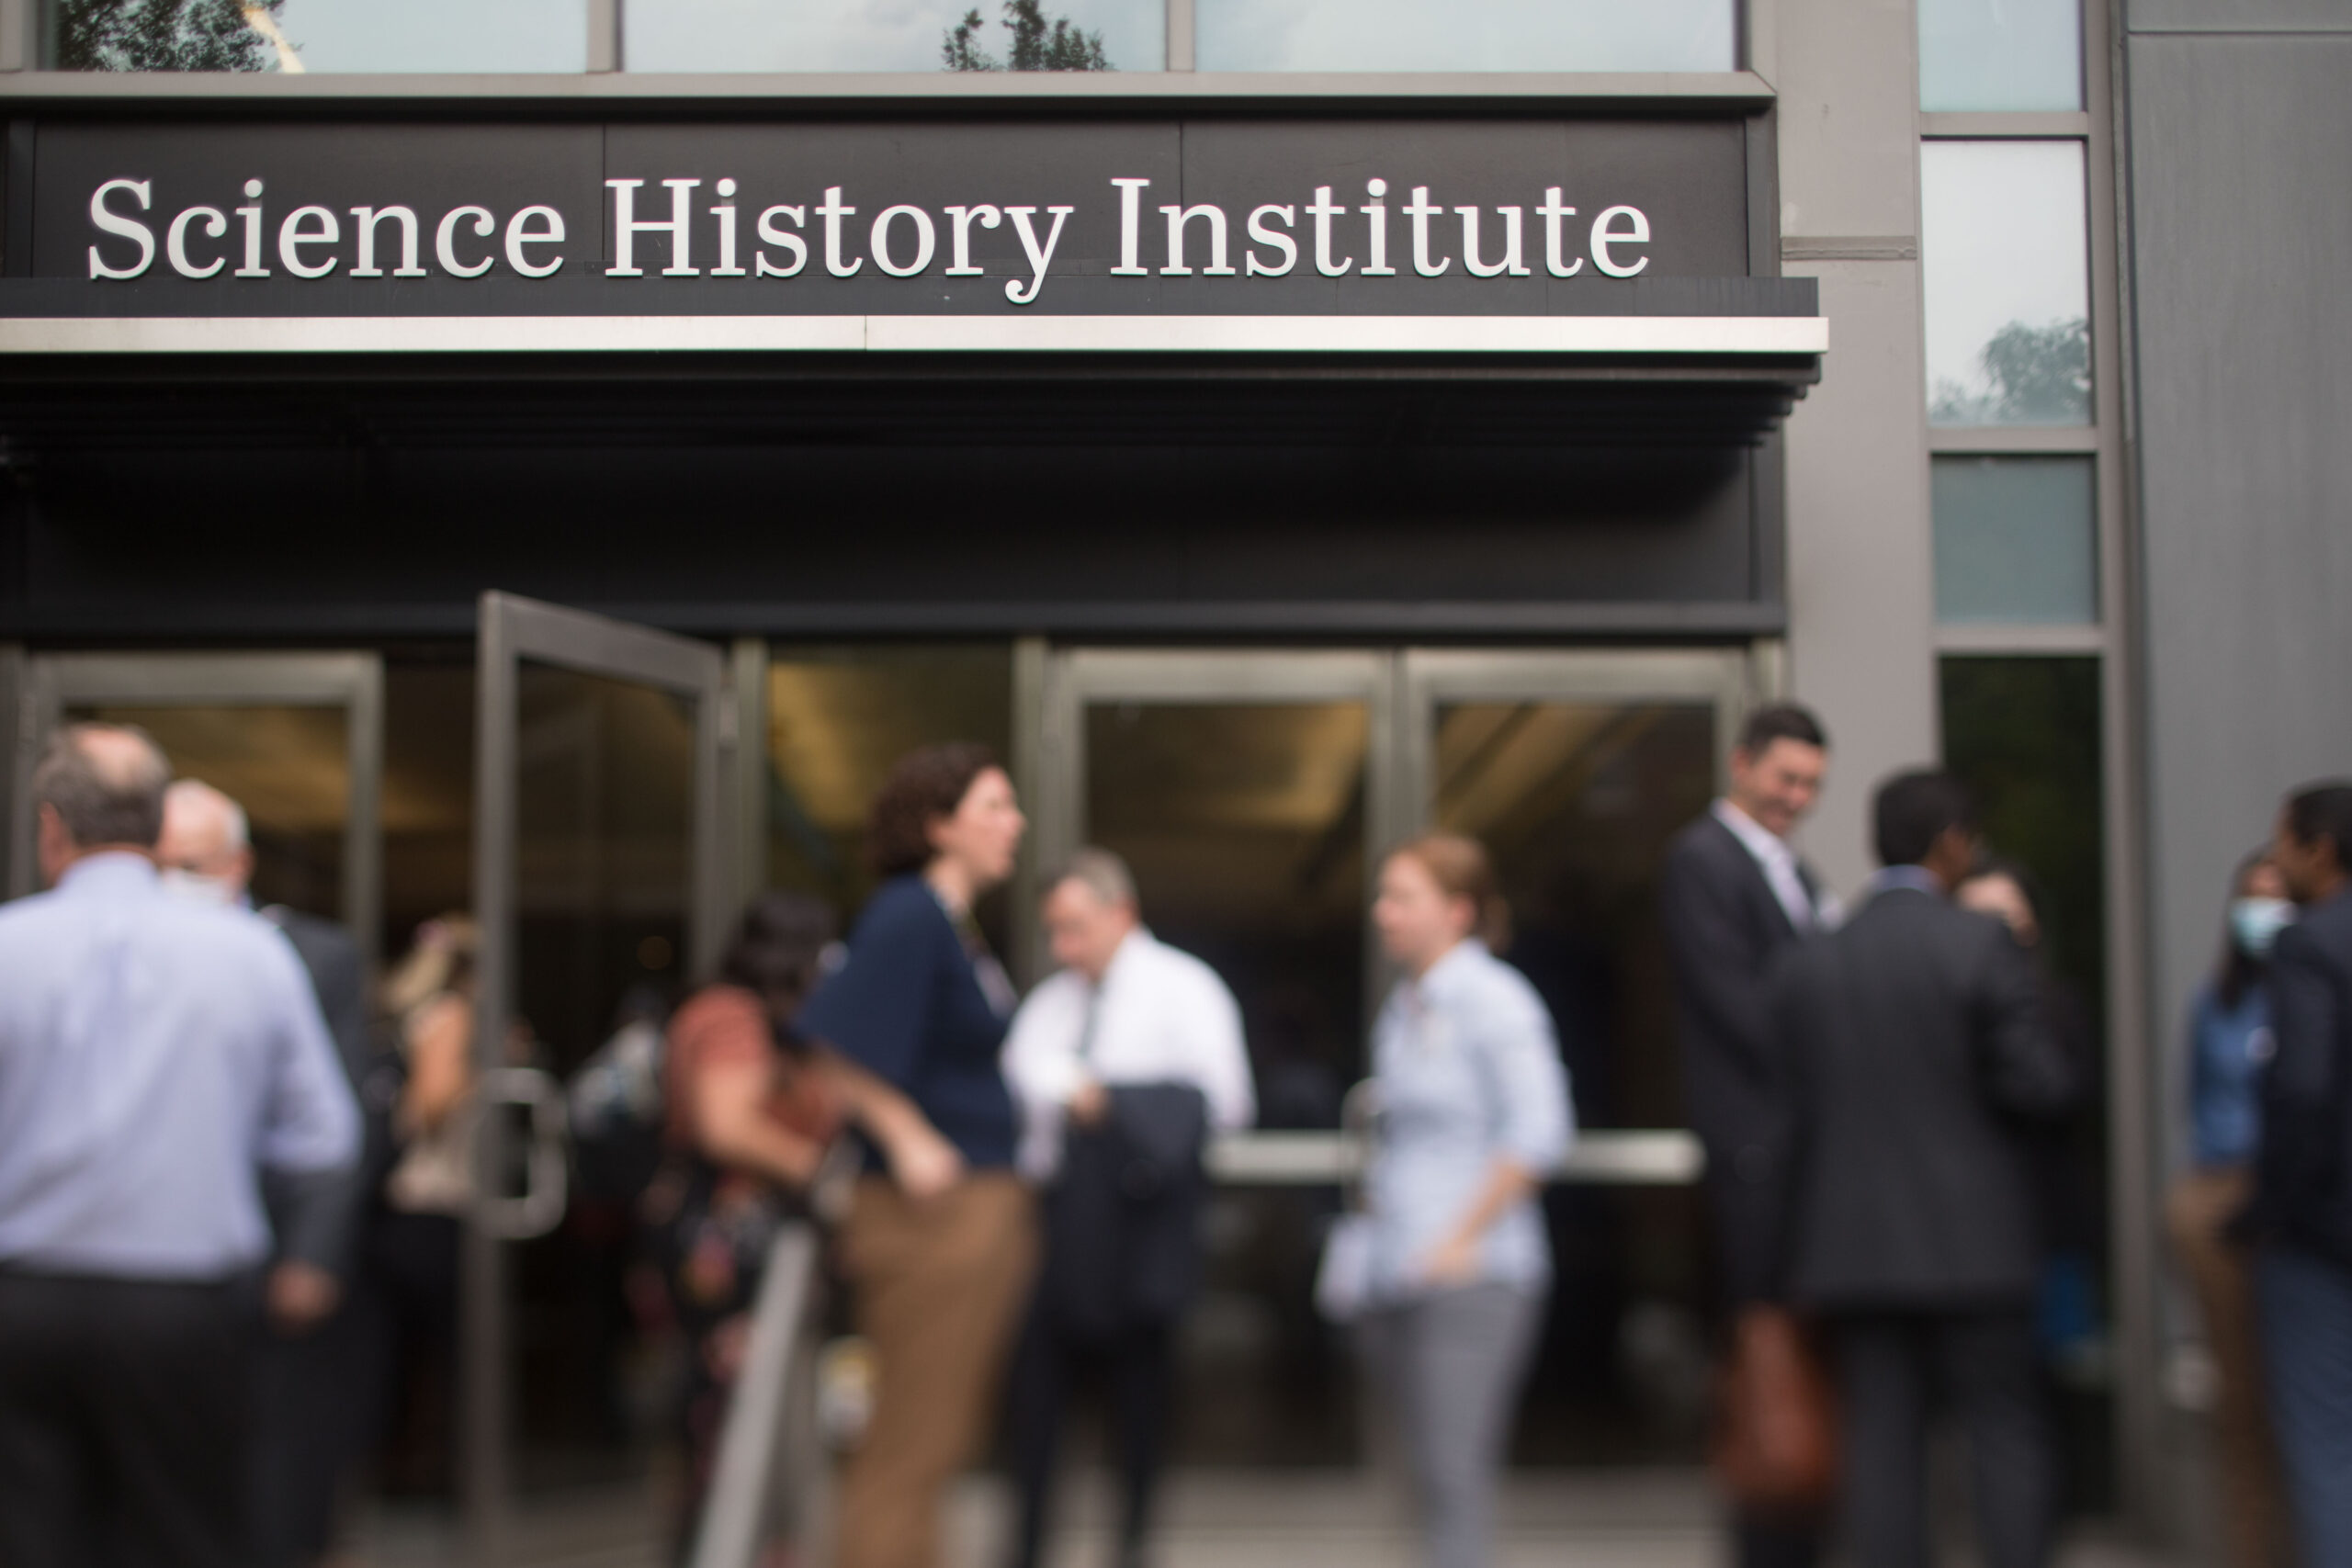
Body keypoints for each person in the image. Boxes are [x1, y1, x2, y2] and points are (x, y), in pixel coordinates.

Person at [0, 724, 359, 1568]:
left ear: (51, 826)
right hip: (182, 1307)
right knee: (184, 1535)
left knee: (27, 1534)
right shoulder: (252, 954)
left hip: (22, 1299)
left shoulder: (5, 943)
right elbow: (323, 1134)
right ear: (157, 818)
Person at [1765, 771, 2078, 1568]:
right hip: (1979, 1243)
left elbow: (1788, 1112)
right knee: (2003, 1432)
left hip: (1854, 1243)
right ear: (1952, 843)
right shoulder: (1981, 945)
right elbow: (2040, 1085)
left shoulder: (1811, 961)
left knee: (1882, 1442)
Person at [651, 890, 974, 1560]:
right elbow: (728, 1123)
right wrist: (823, 1174)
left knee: (782, 1424)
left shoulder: (793, 1030)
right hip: (728, 1243)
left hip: (780, 1250)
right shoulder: (727, 1015)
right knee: (727, 1423)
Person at [795, 742, 1037, 1568]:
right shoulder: (908, 913)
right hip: (935, 1213)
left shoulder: (949, 924)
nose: (1017, 824)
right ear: (940, 826)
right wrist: (908, 1138)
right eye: (996, 807)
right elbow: (827, 1042)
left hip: (974, 1205)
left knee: (937, 1438)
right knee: (909, 1441)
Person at [1000, 848, 1257, 1568]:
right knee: (1037, 1408)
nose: (1063, 947)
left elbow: (1225, 1106)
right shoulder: (1051, 1003)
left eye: (1076, 927)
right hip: (1054, 1229)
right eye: (1054, 930)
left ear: (1122, 913)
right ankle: (1027, 1547)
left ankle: (1132, 1547)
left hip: (1136, 1234)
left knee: (1136, 1412)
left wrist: (1109, 1101)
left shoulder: (1184, 989)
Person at [157, 778, 374, 1568]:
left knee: (276, 1468)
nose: (173, 885)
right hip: (147, 1258)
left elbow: (340, 1119)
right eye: (159, 865)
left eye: (192, 864)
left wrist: (313, 1253)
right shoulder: (116, 947)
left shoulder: (309, 957)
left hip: (267, 1248)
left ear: (238, 864)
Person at [1360, 834, 1574, 1568]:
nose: (1382, 912)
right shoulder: (1405, 1005)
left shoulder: (1494, 998)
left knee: (1454, 1475)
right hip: (1401, 1271)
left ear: (1456, 910)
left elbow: (1540, 1131)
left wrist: (1459, 1238)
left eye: (1401, 897)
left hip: (1475, 1274)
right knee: (1421, 1480)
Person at [1657, 703, 1836, 1568]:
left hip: (1797, 1150)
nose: (1795, 797)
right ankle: (1766, 1530)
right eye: (1785, 777)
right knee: (1762, 1353)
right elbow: (1738, 1003)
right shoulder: (1704, 860)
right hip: (1754, 1145)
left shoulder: (1795, 872)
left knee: (1794, 1349)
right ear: (1741, 765)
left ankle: (1793, 1523)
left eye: (1810, 785)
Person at [2162, 852, 2294, 1568]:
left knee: (2301, 1396)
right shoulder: (2217, 1000)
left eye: (2277, 897)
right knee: (2239, 1403)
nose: (2263, 914)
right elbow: (2198, 1100)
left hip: (2295, 1204)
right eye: (2252, 898)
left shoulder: (2316, 989)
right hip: (2219, 1195)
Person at [2249, 781, 2352, 1567]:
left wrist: (2271, 1210)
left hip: (2324, 1236)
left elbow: (2305, 1090)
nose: (2277, 862)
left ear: (2319, 849)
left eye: (2283, 843)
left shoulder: (2311, 942)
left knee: (2327, 1445)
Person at [365, 913, 481, 1495]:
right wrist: (482, 1076)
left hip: (402, 1208)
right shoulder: (451, 1017)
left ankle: (398, 1465)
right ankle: (428, 1473)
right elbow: (434, 1103)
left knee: (401, 1353)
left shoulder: (409, 1014)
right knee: (439, 1352)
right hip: (429, 1204)